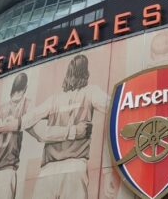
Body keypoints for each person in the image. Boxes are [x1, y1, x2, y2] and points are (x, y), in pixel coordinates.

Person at [21, 54, 106, 199]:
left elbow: (25, 121)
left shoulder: (53, 100)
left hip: (50, 168)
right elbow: (116, 105)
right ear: (86, 74)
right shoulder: (91, 92)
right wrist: (72, 131)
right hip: (74, 165)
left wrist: (46, 134)